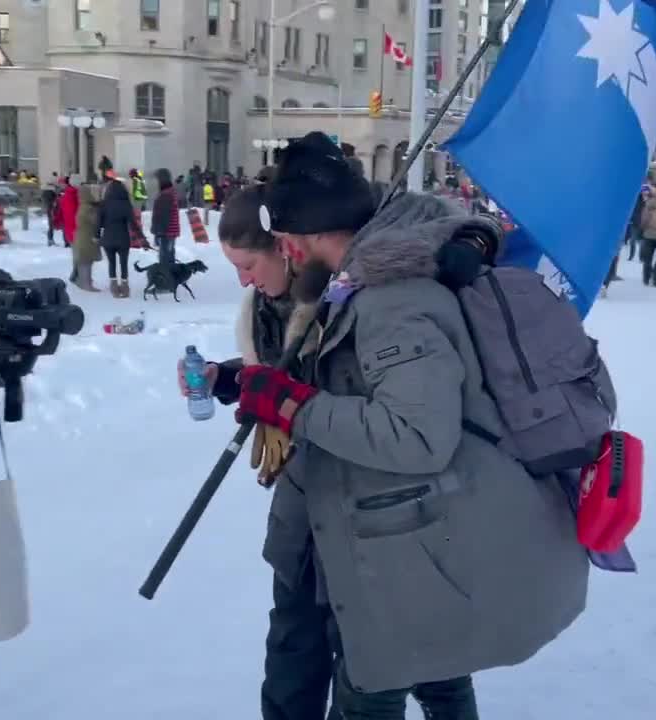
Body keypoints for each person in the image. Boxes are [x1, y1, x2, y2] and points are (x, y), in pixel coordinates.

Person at [240, 132, 587, 718]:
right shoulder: (364, 282)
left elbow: (416, 435)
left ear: (305, 233)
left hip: (405, 546)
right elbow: (362, 377)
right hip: (408, 538)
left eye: (283, 239)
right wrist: (252, 382)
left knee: (372, 694)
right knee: (442, 679)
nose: (285, 252)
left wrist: (295, 407)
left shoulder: (393, 301)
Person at [190, 186, 336, 720]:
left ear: (284, 247)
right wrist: (228, 376)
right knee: (291, 646)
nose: (243, 280)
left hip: (354, 506)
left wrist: (286, 399)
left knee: (359, 657)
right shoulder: (262, 307)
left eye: (248, 264)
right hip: (300, 502)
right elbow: (274, 371)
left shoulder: (343, 299)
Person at [100, 173, 143, 298]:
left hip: (108, 238)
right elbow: (133, 223)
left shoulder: (105, 204)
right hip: (123, 238)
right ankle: (125, 287)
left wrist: (97, 235)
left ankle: (114, 287)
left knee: (111, 263)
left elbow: (99, 222)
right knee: (123, 263)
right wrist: (141, 238)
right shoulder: (126, 204)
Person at [72, 181, 104, 292]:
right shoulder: (89, 208)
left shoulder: (83, 205)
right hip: (87, 238)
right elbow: (95, 221)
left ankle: (84, 282)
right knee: (86, 261)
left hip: (83, 237)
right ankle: (86, 284)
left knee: (84, 261)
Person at [151, 168, 182, 272]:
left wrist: (158, 232)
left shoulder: (165, 195)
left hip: (166, 232)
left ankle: (165, 281)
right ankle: (170, 280)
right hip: (171, 231)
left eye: (157, 179)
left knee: (165, 258)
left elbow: (163, 216)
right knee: (169, 256)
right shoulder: (170, 192)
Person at [56, 174, 81, 249]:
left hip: (69, 230)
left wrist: (57, 222)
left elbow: (60, 212)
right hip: (79, 230)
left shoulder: (65, 196)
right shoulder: (78, 195)